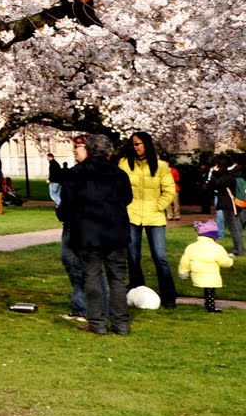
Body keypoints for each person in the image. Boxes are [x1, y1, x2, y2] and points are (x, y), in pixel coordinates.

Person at [58, 134, 133, 334]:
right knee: (117, 279)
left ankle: (97, 323)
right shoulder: (119, 174)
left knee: (92, 277)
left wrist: (67, 215)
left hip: (87, 233)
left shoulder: (76, 173)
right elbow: (127, 198)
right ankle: (121, 324)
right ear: (109, 153)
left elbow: (66, 205)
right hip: (115, 231)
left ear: (89, 151)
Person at [118, 131, 177, 310]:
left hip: (154, 216)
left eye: (138, 144)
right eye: (133, 144)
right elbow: (118, 186)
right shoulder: (124, 163)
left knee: (160, 257)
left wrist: (158, 206)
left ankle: (169, 296)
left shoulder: (160, 166)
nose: (135, 147)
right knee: (133, 255)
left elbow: (169, 190)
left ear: (147, 144)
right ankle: (137, 290)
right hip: (132, 214)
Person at [56, 136, 97, 323]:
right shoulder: (73, 172)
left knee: (90, 267)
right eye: (74, 147)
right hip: (71, 224)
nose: (74, 150)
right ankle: (80, 307)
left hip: (86, 225)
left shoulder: (93, 173)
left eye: (78, 147)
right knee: (71, 262)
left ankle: (95, 309)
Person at [178, 219, 234, 313]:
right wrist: (230, 262)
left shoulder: (191, 247)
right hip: (211, 275)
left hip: (197, 274)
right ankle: (211, 307)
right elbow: (224, 262)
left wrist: (183, 272)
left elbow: (185, 261)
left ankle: (208, 304)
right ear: (214, 236)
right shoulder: (217, 248)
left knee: (207, 289)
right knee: (210, 290)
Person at [206, 159, 245, 255]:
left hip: (229, 205)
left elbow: (217, 183)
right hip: (229, 204)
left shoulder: (228, 176)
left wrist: (213, 173)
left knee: (234, 228)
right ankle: (239, 250)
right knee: (235, 228)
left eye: (218, 165)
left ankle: (238, 251)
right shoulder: (230, 175)